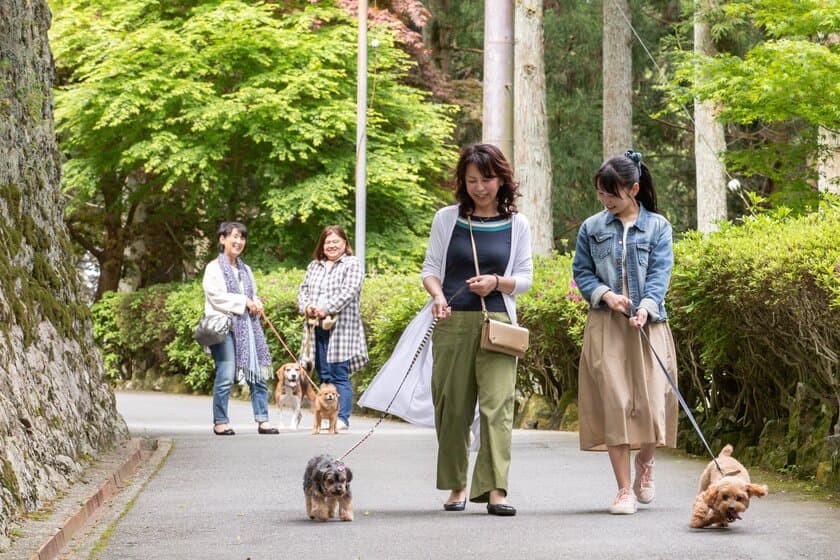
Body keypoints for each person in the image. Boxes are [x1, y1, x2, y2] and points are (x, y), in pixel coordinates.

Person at [362, 144, 533, 516]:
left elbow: (525, 278)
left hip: (499, 324)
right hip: (451, 321)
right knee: (452, 407)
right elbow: (430, 269)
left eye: (487, 179)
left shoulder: (517, 223)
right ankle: (457, 484)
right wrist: (437, 296)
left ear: (502, 179)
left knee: (497, 407)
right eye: (472, 180)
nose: (480, 187)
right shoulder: (447, 218)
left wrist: (497, 283)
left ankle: (495, 490)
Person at [572, 150, 678, 514]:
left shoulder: (659, 227)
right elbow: (582, 273)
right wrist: (605, 295)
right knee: (615, 402)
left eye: (611, 194)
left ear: (633, 189)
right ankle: (622, 490)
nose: (605, 201)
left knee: (653, 399)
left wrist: (646, 307)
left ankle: (645, 463)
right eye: (601, 193)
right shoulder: (591, 228)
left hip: (650, 324)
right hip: (607, 325)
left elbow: (660, 275)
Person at [202, 221, 278, 435]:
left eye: (242, 237)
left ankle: (263, 419)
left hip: (248, 327)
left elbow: (252, 295)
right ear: (222, 239)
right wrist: (243, 301)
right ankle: (220, 421)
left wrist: (256, 303)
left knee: (258, 372)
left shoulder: (246, 269)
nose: (238, 241)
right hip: (223, 327)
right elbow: (216, 297)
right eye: (234, 236)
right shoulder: (213, 268)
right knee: (225, 374)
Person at [297, 226, 368, 431]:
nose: (332, 245)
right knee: (324, 373)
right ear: (322, 245)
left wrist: (325, 308)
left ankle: (342, 417)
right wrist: (307, 307)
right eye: (328, 242)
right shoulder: (314, 266)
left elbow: (349, 291)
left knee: (339, 374)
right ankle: (326, 417)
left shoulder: (352, 264)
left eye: (336, 241)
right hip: (315, 326)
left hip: (341, 328)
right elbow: (303, 291)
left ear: (345, 244)